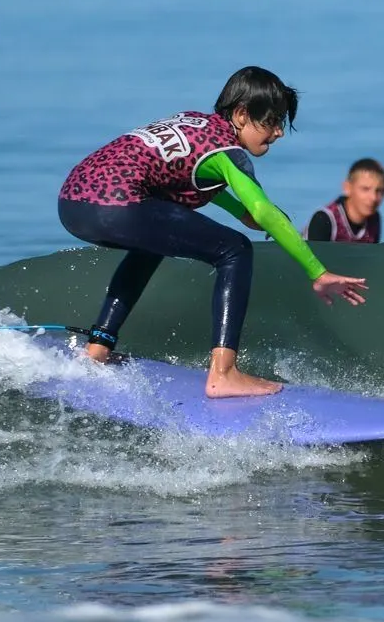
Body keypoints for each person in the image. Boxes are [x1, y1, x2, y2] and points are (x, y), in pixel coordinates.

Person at [57, 66, 367, 398]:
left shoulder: (193, 122)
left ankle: (98, 348)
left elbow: (191, 178)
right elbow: (264, 210)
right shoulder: (228, 151)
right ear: (241, 114)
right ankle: (223, 373)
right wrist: (317, 272)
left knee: (151, 244)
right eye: (272, 121)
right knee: (235, 250)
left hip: (73, 201)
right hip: (117, 204)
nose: (278, 132)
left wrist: (239, 211)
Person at [305, 158, 384, 243]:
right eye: (365, 189)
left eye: (379, 191)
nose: (373, 198)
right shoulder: (324, 218)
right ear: (347, 188)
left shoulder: (374, 218)